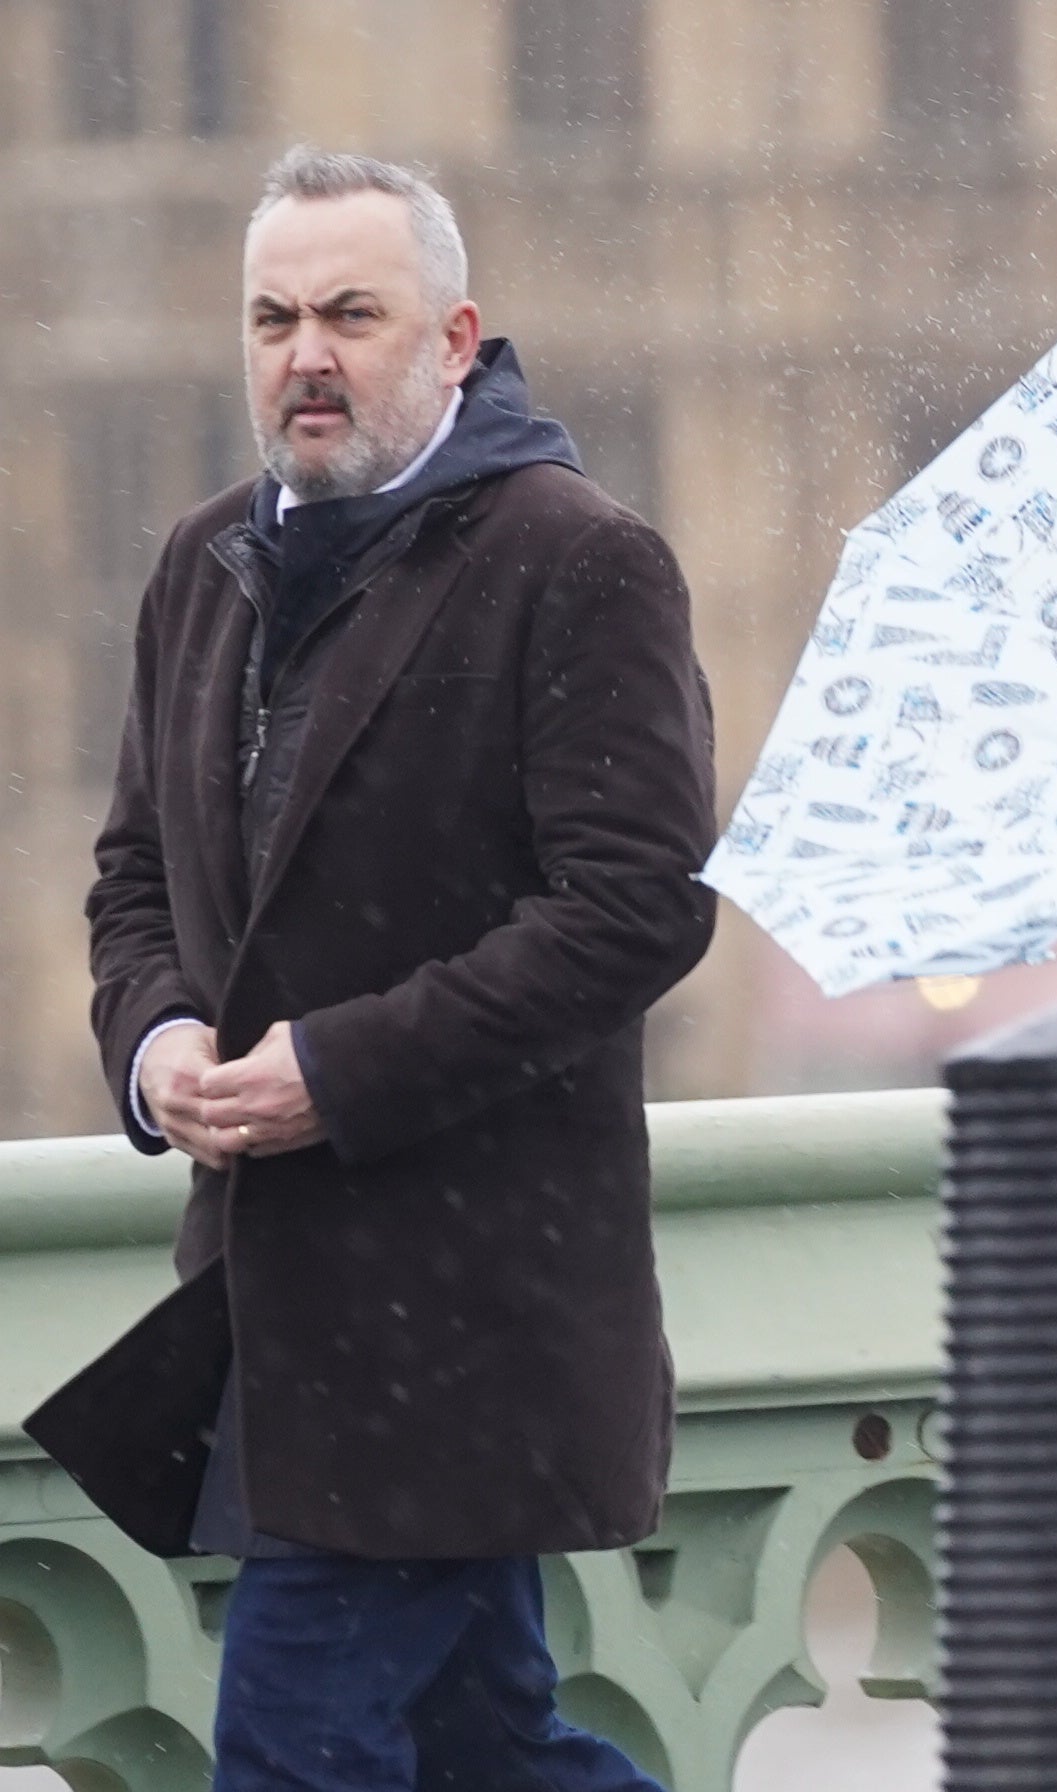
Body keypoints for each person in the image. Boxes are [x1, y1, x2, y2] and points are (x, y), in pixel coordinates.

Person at [43, 147, 717, 1788]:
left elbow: (636, 910)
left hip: (470, 1318)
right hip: (274, 1310)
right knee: (491, 1747)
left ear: (456, 336)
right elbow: (131, 881)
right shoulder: (205, 562)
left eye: (354, 312)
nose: (306, 355)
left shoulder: (578, 557)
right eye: (274, 317)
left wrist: (335, 1072)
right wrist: (161, 1048)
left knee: (295, 1749)